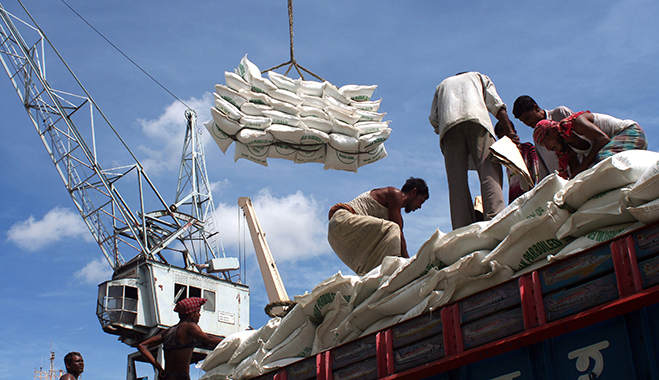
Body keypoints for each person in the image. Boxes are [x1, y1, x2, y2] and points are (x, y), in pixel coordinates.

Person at [429, 71, 518, 230]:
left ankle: (462, 228)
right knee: (488, 171)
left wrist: (445, 128)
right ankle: (496, 219)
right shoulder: (478, 76)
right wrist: (510, 133)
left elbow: (434, 119)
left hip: (449, 128)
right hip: (478, 121)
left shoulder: (441, 85)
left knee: (456, 182)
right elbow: (497, 105)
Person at [327, 177, 429, 275]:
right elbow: (400, 238)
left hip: (337, 238)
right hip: (342, 220)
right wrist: (410, 266)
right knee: (393, 229)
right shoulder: (395, 194)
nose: (419, 206)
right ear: (414, 192)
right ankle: (394, 272)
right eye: (420, 201)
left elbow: (397, 242)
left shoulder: (389, 219)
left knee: (373, 267)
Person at [533, 111, 648, 179]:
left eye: (545, 142)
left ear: (553, 132)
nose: (548, 148)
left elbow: (603, 140)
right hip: (620, 145)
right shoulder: (568, 150)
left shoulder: (577, 123)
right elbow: (576, 174)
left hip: (632, 133)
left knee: (603, 159)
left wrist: (584, 166)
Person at [138, 297, 224, 380]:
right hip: (180, 377)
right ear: (191, 314)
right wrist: (229, 341)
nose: (199, 315)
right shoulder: (190, 327)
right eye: (198, 312)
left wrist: (158, 368)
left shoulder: (166, 333)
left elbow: (142, 346)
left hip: (166, 377)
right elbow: (208, 339)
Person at [512, 95, 573, 179]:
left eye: (528, 117)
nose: (527, 123)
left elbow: (581, 139)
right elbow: (544, 171)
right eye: (523, 121)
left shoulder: (560, 114)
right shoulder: (537, 140)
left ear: (536, 108)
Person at [494, 122, 540, 203]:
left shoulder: (528, 149)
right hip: (516, 202)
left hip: (531, 198)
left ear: (514, 133)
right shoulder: (508, 159)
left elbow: (538, 174)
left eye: (507, 136)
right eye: (501, 138)